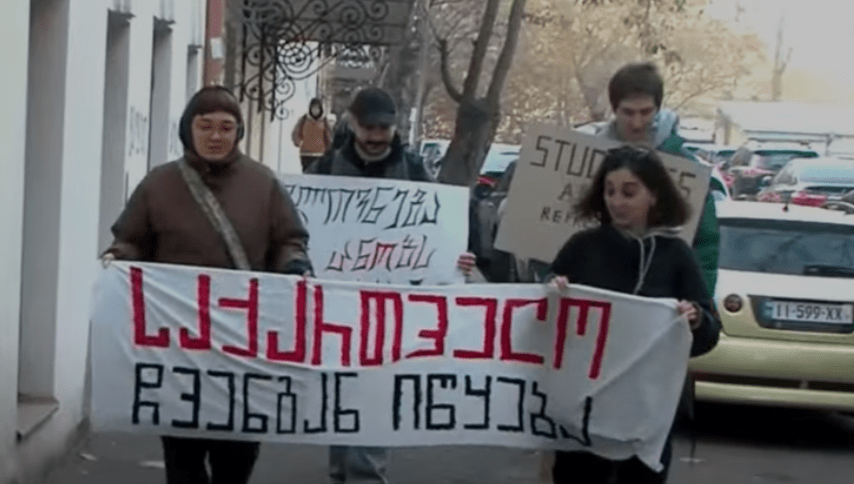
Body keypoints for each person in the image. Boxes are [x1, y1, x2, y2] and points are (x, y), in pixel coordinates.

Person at [102, 85, 313, 484]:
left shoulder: (263, 184)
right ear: (188, 128)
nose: (216, 136)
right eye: (205, 126)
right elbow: (131, 239)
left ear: (238, 132)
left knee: (237, 455)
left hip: (241, 345)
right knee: (182, 454)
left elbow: (289, 239)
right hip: (179, 345)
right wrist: (119, 259)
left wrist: (294, 267)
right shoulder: (159, 185)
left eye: (226, 127)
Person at [306, 86, 477, 484]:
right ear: (353, 124)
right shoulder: (326, 170)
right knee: (342, 386)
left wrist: (459, 258)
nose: (376, 136)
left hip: (392, 311)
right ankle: (341, 467)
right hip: (340, 306)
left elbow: (441, 230)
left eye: (383, 128)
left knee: (378, 388)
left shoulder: (414, 170)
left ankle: (366, 472)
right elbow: (300, 225)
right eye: (369, 127)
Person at [546, 146, 721, 484]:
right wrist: (552, 290)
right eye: (610, 191)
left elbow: (710, 334)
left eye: (629, 192)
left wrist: (696, 319)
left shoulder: (676, 255)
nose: (617, 202)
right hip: (584, 409)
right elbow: (540, 314)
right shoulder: (582, 247)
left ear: (653, 195)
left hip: (646, 414)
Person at [596, 62, 721, 296]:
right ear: (614, 109)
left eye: (645, 112)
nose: (637, 123)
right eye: (628, 112)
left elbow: (705, 245)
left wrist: (699, 302)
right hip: (596, 293)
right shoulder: (588, 156)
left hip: (661, 297)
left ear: (657, 110)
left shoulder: (687, 168)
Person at [292, 97, 333, 171]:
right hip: (306, 154)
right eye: (313, 108)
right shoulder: (304, 119)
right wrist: (298, 142)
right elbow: (296, 132)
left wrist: (329, 150)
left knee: (318, 174)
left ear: (320, 109)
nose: (315, 110)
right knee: (307, 174)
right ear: (310, 109)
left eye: (317, 108)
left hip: (320, 154)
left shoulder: (324, 121)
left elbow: (329, 136)